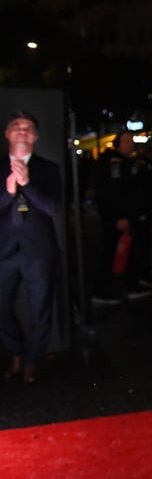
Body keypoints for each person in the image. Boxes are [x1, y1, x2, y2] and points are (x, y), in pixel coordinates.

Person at [1, 111, 62, 382]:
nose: (23, 130)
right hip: (3, 251)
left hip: (39, 251)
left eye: (28, 127)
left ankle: (32, 358)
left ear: (35, 137)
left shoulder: (48, 169)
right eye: (17, 126)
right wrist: (8, 193)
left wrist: (27, 185)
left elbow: (53, 208)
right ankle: (15, 351)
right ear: (7, 134)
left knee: (40, 308)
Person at [91, 131, 152, 303]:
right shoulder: (113, 163)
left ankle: (129, 284)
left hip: (126, 216)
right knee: (111, 253)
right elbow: (114, 194)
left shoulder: (127, 162)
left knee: (126, 252)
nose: (131, 144)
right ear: (118, 144)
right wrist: (119, 217)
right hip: (117, 218)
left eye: (131, 141)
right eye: (126, 141)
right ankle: (103, 291)